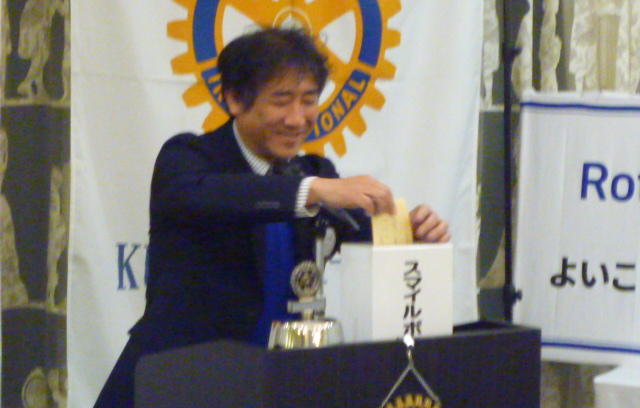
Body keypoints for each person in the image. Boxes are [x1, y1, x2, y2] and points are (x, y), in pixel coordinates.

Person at [94, 26, 450, 408]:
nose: (297, 119)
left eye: (309, 100)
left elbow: (366, 232)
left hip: (276, 385)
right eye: (281, 100)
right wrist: (312, 191)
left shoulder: (313, 171)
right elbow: (212, 195)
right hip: (180, 380)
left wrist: (412, 230)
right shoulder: (187, 159)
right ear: (234, 99)